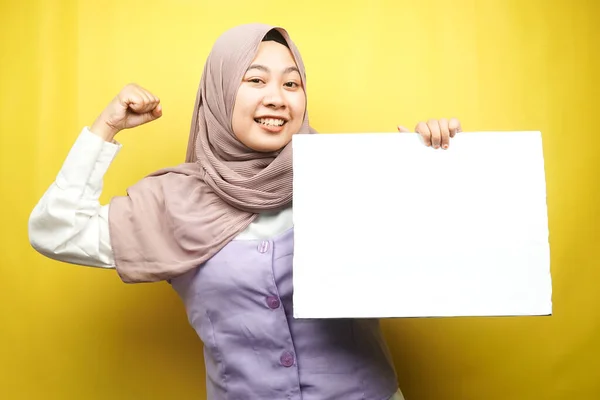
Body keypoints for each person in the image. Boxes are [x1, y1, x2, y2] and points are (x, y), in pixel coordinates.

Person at [29, 23, 461, 400]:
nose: (277, 98)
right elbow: (55, 231)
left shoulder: (345, 176)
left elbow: (446, 253)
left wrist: (434, 165)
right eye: (255, 80)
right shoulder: (171, 203)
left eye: (292, 84)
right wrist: (106, 128)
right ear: (219, 91)